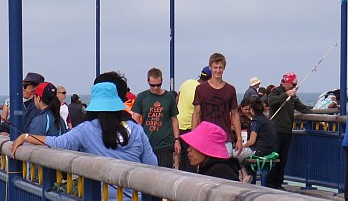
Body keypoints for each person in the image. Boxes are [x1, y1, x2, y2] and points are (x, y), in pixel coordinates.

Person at [12, 81, 156, 167]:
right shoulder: (137, 130)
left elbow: (58, 143)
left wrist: (25, 137)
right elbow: (152, 163)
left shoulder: (86, 129)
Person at [179, 121, 239, 201]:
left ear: (206, 148)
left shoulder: (221, 171)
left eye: (194, 146)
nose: (188, 150)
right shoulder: (208, 168)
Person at [266, 72, 311, 189]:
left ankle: (278, 183)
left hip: (287, 131)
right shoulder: (276, 91)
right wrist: (286, 94)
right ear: (285, 83)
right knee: (274, 158)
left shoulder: (293, 96)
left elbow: (302, 107)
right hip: (276, 131)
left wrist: (315, 110)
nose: (294, 87)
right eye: (292, 85)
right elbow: (271, 102)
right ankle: (270, 183)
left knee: (283, 159)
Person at [192, 53, 241, 157]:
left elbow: (235, 114)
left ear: (224, 68)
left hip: (225, 138)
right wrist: (193, 136)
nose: (218, 70)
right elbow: (196, 113)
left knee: (224, 170)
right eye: (215, 67)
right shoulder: (200, 89)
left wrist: (239, 139)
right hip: (206, 137)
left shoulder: (230, 89)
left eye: (220, 68)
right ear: (210, 68)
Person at [131, 67, 180, 168]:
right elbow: (135, 119)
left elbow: (174, 119)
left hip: (165, 144)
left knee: (165, 174)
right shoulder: (142, 97)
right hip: (147, 143)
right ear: (148, 81)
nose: (156, 88)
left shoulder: (169, 97)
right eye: (152, 85)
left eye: (158, 85)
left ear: (162, 81)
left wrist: (177, 140)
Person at [236, 98, 278, 183]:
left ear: (252, 110)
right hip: (270, 150)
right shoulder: (266, 120)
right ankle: (247, 176)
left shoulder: (256, 122)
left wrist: (242, 146)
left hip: (259, 150)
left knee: (235, 154)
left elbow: (252, 141)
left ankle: (244, 176)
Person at [176, 66, 209, 171]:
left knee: (182, 159)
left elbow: (177, 100)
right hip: (191, 128)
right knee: (192, 160)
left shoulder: (187, 83)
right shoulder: (203, 90)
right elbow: (199, 112)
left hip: (178, 126)